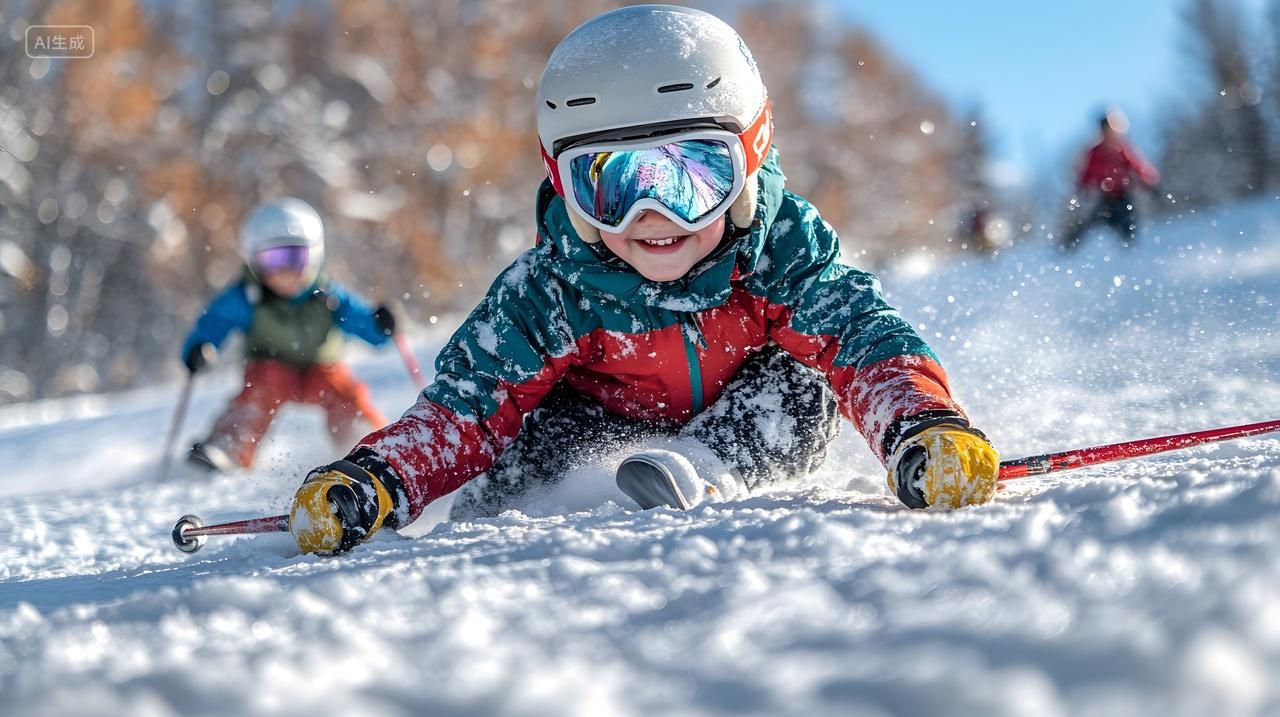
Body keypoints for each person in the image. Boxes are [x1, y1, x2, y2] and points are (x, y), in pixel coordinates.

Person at [285, 6, 1000, 555]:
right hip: (594, 423)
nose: (653, 217)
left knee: (801, 382)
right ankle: (500, 503)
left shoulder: (778, 248)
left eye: (693, 177)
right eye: (610, 185)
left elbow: (862, 336)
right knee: (519, 434)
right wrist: (376, 478)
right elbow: (462, 408)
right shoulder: (555, 286)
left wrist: (920, 424)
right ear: (564, 189)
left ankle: (697, 467)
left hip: (740, 421)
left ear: (749, 161)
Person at [182, 198, 397, 473]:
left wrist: (379, 325)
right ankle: (229, 445)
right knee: (259, 390)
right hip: (271, 367)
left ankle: (371, 447)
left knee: (345, 394)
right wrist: (200, 348)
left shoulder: (327, 295)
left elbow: (365, 325)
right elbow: (213, 323)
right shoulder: (248, 296)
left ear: (314, 256)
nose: (285, 272)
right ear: (255, 261)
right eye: (273, 261)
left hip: (321, 369)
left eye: (295, 259)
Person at [1061, 109, 1160, 250]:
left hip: (1123, 196)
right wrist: (1081, 190)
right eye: (1104, 130)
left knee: (1128, 225)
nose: (1107, 133)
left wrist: (1149, 183)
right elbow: (1087, 174)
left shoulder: (1123, 150)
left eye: (1110, 129)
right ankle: (1067, 249)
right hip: (1104, 199)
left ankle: (1130, 253)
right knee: (1089, 223)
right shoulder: (1095, 152)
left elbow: (1138, 167)